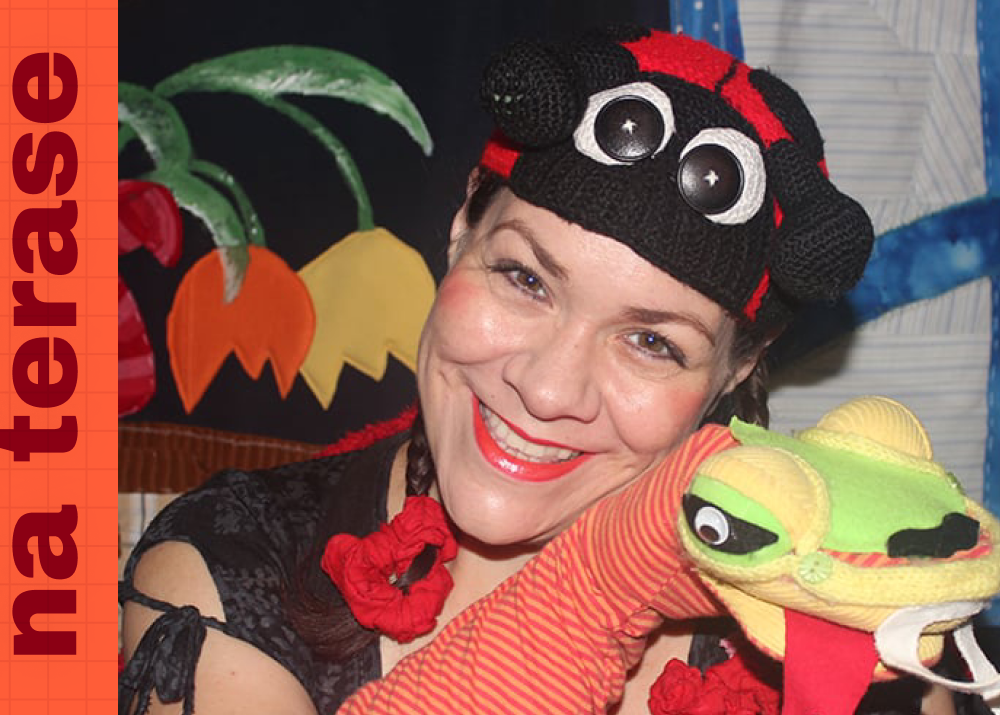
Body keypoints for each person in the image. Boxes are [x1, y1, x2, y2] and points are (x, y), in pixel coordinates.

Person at [117, 24, 953, 715]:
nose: (548, 389)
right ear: (461, 229)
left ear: (739, 369)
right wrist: (601, 584)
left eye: (651, 341)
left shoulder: (845, 614)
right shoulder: (231, 568)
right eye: (525, 279)